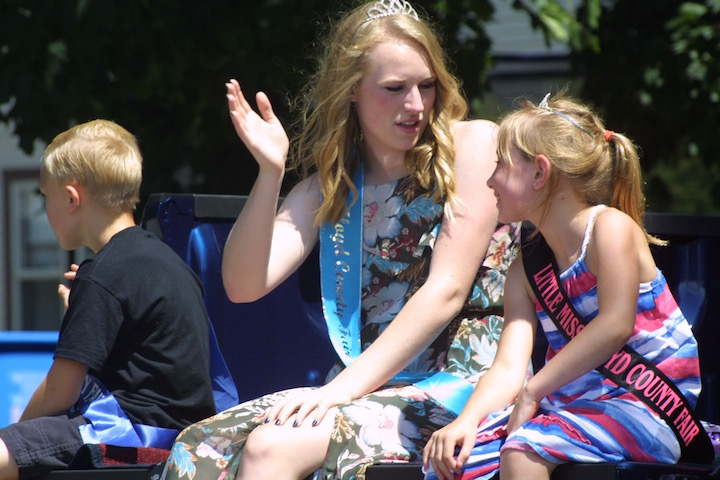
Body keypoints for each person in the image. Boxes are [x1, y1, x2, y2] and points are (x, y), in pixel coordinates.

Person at [160, 1, 523, 479]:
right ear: (351, 90)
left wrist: (340, 391)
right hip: (365, 389)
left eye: (426, 85)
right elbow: (243, 285)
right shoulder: (329, 188)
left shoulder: (473, 146)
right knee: (201, 445)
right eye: (394, 88)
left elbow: (447, 291)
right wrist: (270, 173)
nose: (416, 105)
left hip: (461, 390)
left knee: (271, 446)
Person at [423, 92, 713, 480]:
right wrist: (467, 421)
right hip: (574, 402)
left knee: (523, 451)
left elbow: (614, 326)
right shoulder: (524, 271)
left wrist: (533, 391)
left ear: (539, 173)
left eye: (500, 165)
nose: (489, 180)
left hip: (648, 406)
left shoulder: (610, 229)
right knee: (453, 464)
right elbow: (508, 367)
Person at [0, 119, 218, 480]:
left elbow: (60, 392)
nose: (46, 208)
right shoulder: (168, 262)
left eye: (45, 197)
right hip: (185, 438)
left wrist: (16, 433)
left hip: (127, 434)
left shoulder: (102, 273)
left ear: (71, 198)